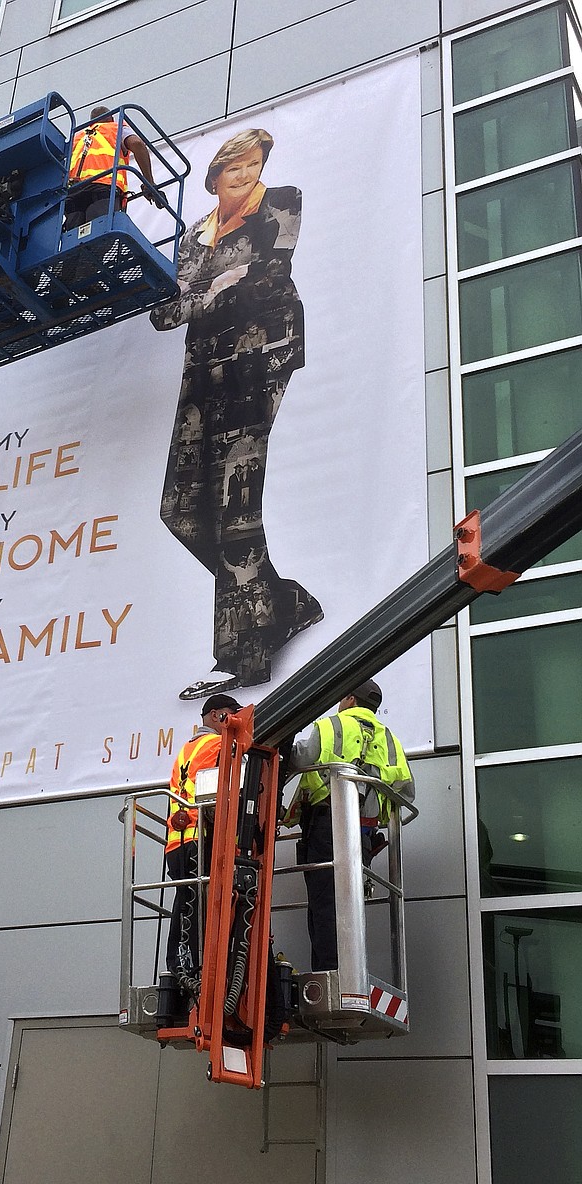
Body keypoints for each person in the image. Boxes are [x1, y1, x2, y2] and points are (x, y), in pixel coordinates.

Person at [150, 127, 322, 700]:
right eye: (234, 169)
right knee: (180, 511)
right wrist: (213, 287)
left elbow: (266, 277)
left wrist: (208, 292)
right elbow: (165, 315)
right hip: (203, 370)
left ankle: (246, 659)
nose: (246, 176)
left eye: (253, 164)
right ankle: (285, 602)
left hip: (260, 355)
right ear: (214, 179)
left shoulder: (282, 202)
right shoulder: (194, 239)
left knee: (235, 508)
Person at [284, 678, 414, 972]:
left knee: (325, 905)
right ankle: (347, 971)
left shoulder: (331, 726)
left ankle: (332, 974)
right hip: (364, 833)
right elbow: (406, 792)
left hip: (328, 827)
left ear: (350, 699)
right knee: (350, 904)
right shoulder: (389, 739)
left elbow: (297, 759)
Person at [165, 692, 242, 990]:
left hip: (178, 843)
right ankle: (193, 970)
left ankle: (178, 965)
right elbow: (222, 792)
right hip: (200, 839)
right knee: (199, 909)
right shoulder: (218, 745)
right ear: (214, 716)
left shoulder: (187, 749)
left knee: (185, 903)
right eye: (228, 714)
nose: (232, 719)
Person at [64, 105, 159, 229]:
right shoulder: (117, 128)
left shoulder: (77, 138)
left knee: (74, 240)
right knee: (98, 235)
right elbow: (137, 144)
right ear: (111, 118)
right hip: (103, 188)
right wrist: (149, 183)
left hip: (73, 194)